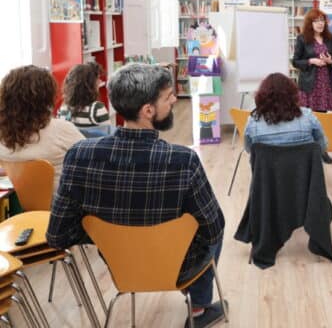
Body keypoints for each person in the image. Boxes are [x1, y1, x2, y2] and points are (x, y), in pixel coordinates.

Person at [46, 64, 226, 327]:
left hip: (121, 267)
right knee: (214, 227)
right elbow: (214, 228)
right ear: (148, 110)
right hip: (176, 266)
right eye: (168, 97)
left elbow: (58, 235)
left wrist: (106, 233)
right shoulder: (183, 160)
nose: (175, 99)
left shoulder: (79, 155)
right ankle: (198, 308)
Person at [0, 65, 83, 186]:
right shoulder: (61, 130)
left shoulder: (2, 133)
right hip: (59, 203)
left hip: (16, 204)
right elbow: (92, 159)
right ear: (46, 98)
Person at [244, 72, 328, 153]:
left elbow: (249, 150)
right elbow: (322, 147)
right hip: (303, 167)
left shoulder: (253, 121)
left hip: (267, 167)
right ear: (292, 93)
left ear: (262, 95)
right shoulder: (308, 116)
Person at [292, 8, 332, 115]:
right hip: (309, 86)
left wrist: (330, 61)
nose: (320, 23)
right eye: (316, 21)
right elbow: (295, 61)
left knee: (322, 118)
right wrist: (311, 61)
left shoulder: (329, 38)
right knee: (307, 117)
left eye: (322, 20)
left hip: (325, 85)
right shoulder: (302, 38)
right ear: (310, 23)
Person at [57, 62, 111, 134]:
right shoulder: (96, 108)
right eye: (97, 78)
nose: (100, 81)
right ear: (89, 84)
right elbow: (108, 135)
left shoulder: (63, 109)